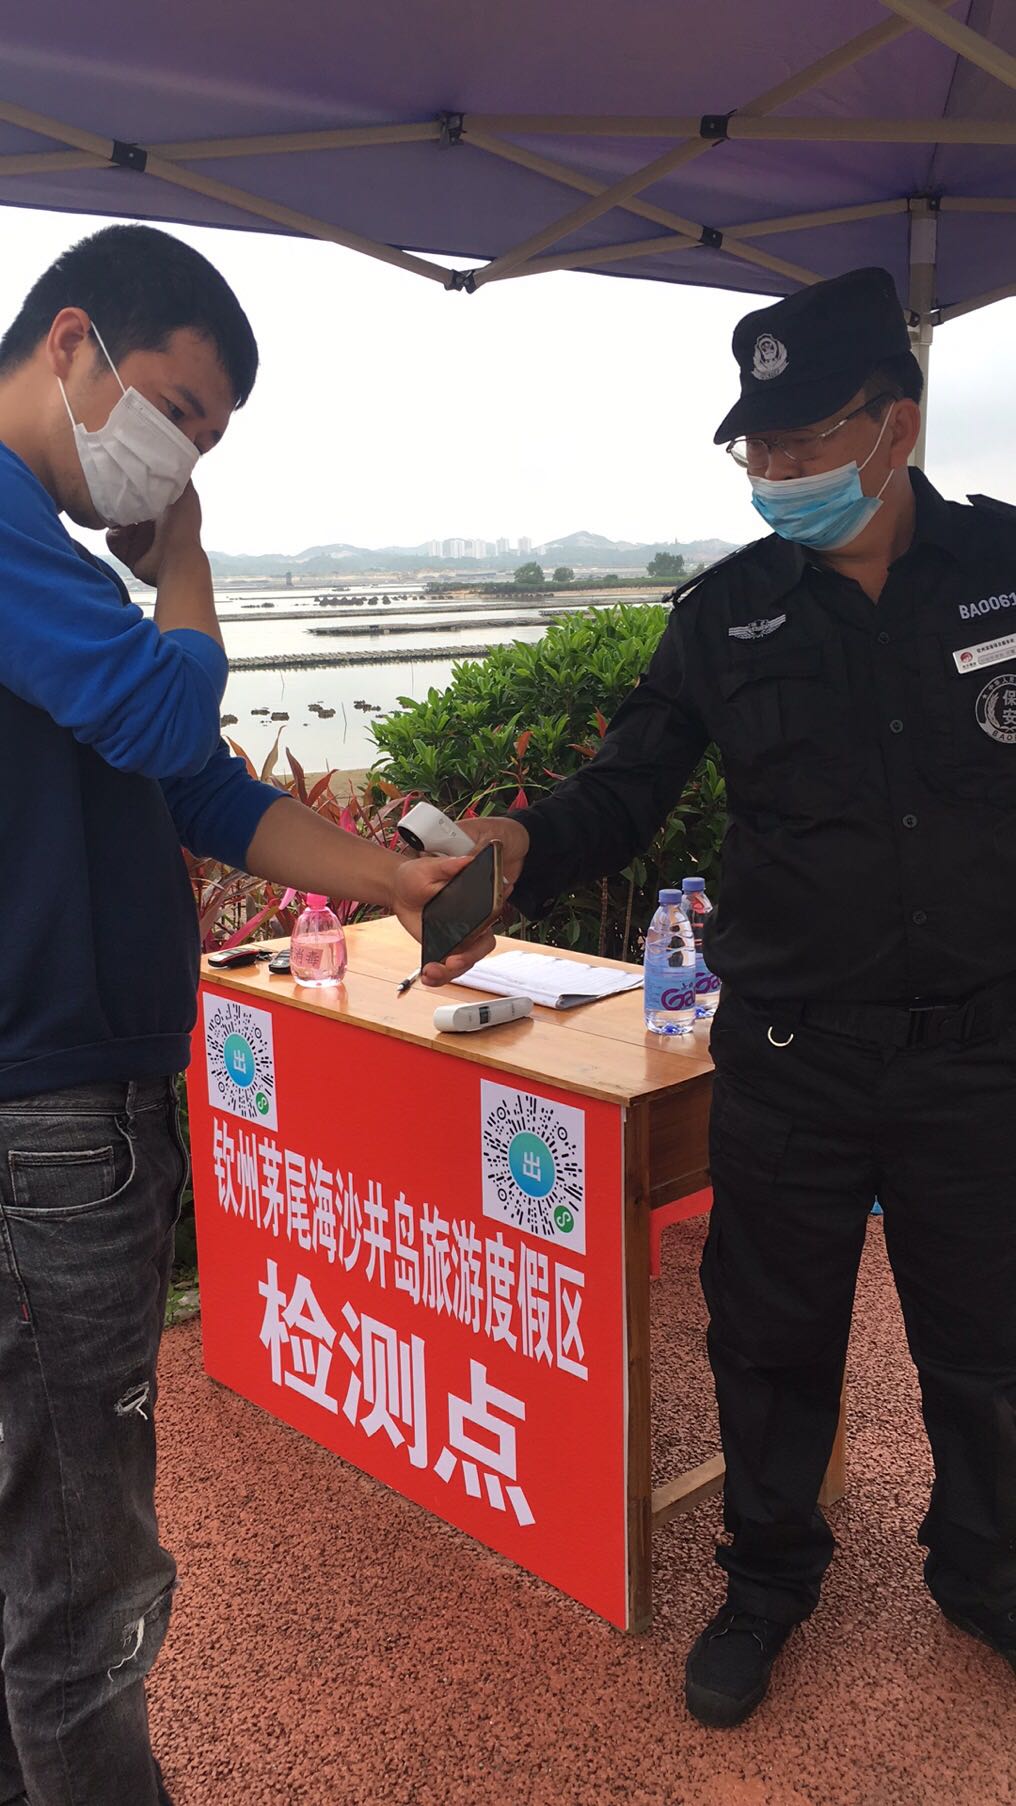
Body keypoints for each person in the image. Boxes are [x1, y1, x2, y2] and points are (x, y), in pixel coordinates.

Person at [449, 267, 1016, 1727]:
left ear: (894, 427)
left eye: (799, 438)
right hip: (792, 1056)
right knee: (769, 1342)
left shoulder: (1008, 564)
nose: (772, 468)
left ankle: (989, 1572)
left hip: (982, 1056)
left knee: (990, 1342)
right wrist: (519, 846)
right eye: (753, 445)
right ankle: (767, 1581)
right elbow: (624, 788)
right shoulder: (725, 616)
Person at [0, 223, 491, 1806]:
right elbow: (167, 708)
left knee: (37, 1533)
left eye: (208, 443)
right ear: (70, 344)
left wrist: (388, 879)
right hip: (43, 1118)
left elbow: (195, 787)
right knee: (85, 1583)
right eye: (177, 411)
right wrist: (191, 554)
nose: (182, 461)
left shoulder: (45, 566)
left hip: (61, 1107)